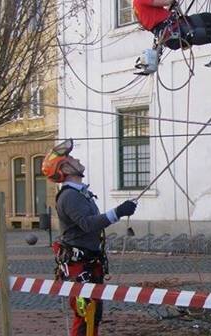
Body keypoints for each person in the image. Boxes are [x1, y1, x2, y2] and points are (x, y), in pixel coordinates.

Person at [42, 139, 137, 336]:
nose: (76, 159)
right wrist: (118, 212)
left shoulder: (80, 193)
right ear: (65, 168)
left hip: (89, 263)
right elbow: (87, 223)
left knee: (93, 314)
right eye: (71, 158)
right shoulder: (69, 197)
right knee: (85, 314)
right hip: (80, 266)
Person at [133, 0, 211, 77]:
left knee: (208, 18)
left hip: (178, 25)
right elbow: (167, 1)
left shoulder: (139, 4)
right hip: (174, 34)